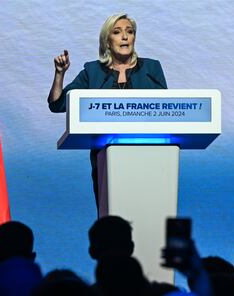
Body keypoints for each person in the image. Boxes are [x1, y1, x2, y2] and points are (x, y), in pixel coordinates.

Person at [47, 13, 167, 211]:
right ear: (107, 41)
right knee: (111, 215)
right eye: (118, 32)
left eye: (130, 32)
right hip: (106, 156)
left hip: (150, 154)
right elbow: (57, 104)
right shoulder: (93, 71)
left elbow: (164, 107)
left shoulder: (152, 68)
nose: (125, 37)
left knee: (147, 210)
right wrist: (60, 74)